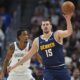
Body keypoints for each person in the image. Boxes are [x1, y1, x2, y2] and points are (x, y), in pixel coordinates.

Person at [8, 13, 73, 80]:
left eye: (47, 24)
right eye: (43, 25)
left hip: (61, 68)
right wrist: (13, 66)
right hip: (48, 70)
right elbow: (27, 56)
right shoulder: (37, 41)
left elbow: (69, 32)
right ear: (41, 27)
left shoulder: (57, 34)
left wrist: (68, 20)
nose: (45, 26)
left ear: (51, 26)